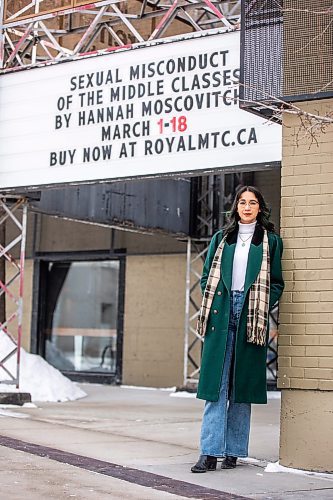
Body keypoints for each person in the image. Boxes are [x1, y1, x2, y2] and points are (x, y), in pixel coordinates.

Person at [191, 185, 284, 473]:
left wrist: (261, 303)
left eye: (252, 202)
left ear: (260, 207)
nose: (246, 207)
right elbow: (207, 277)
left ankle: (232, 451)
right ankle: (209, 452)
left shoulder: (270, 241)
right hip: (221, 310)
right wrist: (218, 295)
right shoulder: (221, 238)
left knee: (240, 387)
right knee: (216, 388)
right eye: (242, 202)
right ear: (236, 207)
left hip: (250, 313)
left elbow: (277, 282)